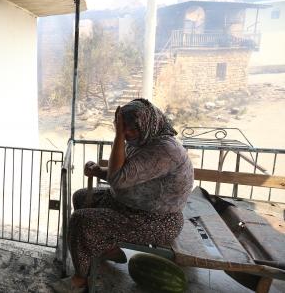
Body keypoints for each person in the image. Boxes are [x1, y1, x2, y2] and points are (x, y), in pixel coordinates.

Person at [51, 98, 194, 293]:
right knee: (81, 197)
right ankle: (107, 248)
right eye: (122, 127)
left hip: (155, 219)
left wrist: (118, 135)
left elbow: (117, 178)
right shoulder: (144, 141)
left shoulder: (165, 151)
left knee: (80, 221)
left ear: (147, 125)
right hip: (128, 206)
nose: (126, 133)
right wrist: (98, 171)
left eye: (130, 129)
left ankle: (81, 278)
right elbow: (121, 173)